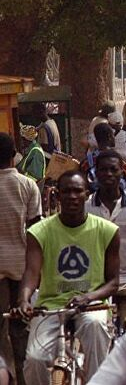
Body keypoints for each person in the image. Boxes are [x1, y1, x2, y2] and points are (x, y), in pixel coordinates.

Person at [15, 171, 120, 385]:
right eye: (66, 191)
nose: (72, 196)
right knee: (34, 359)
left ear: (87, 194)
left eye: (78, 191)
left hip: (91, 306)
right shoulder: (39, 231)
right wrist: (24, 300)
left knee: (96, 329)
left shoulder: (107, 230)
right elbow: (31, 273)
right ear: (57, 195)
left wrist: (89, 297)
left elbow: (114, 283)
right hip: (50, 305)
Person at [85, 150, 126, 331]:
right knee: (93, 327)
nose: (108, 174)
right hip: (97, 282)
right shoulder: (86, 207)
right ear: (96, 173)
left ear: (121, 172)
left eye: (113, 169)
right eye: (103, 170)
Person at [0, 133, 41, 384]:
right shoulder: (27, 185)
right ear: (14, 154)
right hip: (22, 268)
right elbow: (36, 230)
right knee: (20, 328)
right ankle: (23, 378)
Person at [81, 123, 126, 193]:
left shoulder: (87, 162)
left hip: (96, 202)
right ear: (109, 136)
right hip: (120, 201)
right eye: (113, 135)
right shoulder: (123, 158)